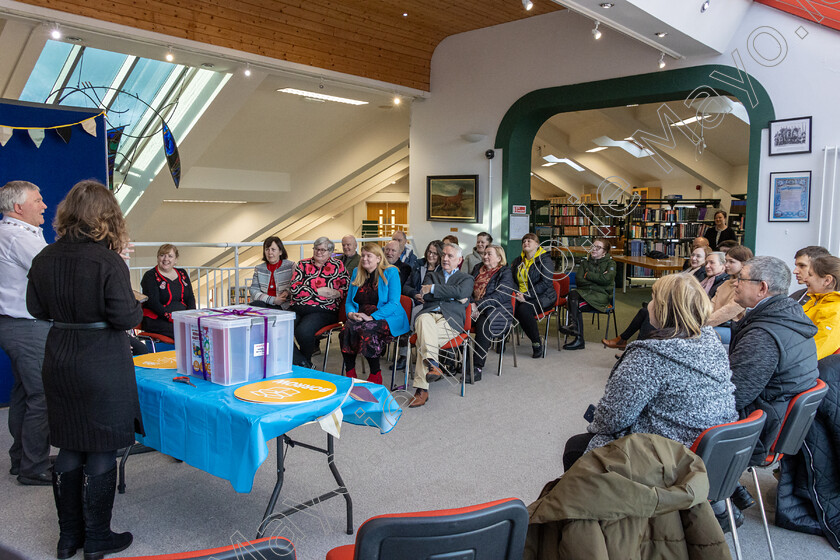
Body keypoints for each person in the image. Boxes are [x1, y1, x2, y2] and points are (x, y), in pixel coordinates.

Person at [26, 180, 144, 560]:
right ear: (106, 216)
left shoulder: (44, 257)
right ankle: (97, 539)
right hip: (101, 360)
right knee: (101, 445)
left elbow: (36, 310)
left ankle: (67, 540)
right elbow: (125, 315)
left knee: (69, 444)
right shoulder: (107, 260)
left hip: (59, 356)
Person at [562, 273, 736, 472]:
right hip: (713, 454)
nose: (649, 305)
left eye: (653, 299)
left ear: (663, 308)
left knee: (575, 447)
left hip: (668, 461)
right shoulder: (713, 344)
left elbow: (612, 419)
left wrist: (596, 428)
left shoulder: (649, 356)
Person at [728, 256, 819, 523]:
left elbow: (734, 396)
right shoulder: (787, 315)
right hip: (773, 417)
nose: (734, 283)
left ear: (762, 288)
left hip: (759, 427)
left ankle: (713, 502)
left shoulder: (764, 335)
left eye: (740, 278)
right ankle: (728, 488)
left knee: (669, 417)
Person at [0, 180, 51, 486]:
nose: (44, 205)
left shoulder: (9, 234)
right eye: (38, 199)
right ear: (18, 207)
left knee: (24, 393)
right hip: (27, 325)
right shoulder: (18, 238)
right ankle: (34, 466)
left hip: (14, 325)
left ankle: (22, 458)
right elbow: (52, 273)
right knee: (42, 395)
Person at [408, 242, 474, 408]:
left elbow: (461, 292)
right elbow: (426, 296)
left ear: (459, 260)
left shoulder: (466, 278)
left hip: (450, 321)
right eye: (443, 254)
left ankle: (422, 390)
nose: (445, 258)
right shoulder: (432, 274)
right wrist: (450, 295)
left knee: (423, 339)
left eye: (450, 256)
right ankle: (434, 365)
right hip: (429, 315)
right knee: (422, 320)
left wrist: (434, 289)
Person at [340, 243, 409, 385]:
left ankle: (375, 374)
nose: (364, 259)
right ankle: (350, 373)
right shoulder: (356, 272)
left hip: (388, 316)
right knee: (346, 329)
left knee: (367, 329)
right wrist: (351, 314)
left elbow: (393, 303)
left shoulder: (391, 272)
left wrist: (372, 317)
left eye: (368, 256)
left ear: (378, 258)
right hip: (362, 315)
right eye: (363, 255)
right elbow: (349, 301)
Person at [289, 237, 349, 368]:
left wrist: (335, 293)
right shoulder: (303, 264)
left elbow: (344, 289)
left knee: (303, 331)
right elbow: (294, 288)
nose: (319, 252)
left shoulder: (337, 266)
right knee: (280, 329)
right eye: (316, 248)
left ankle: (303, 363)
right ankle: (303, 363)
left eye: (323, 250)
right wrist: (319, 291)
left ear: (330, 252)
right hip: (298, 306)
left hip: (324, 310)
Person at [469, 244, 515, 382]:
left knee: (483, 325)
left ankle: (477, 367)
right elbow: (467, 287)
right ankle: (458, 362)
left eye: (489, 254)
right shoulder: (477, 268)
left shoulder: (505, 272)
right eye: (485, 254)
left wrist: (478, 305)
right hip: (473, 309)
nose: (485, 256)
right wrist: (471, 304)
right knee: (455, 319)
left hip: (497, 311)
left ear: (499, 258)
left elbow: (501, 296)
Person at [561, 238, 616, 351]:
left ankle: (578, 337)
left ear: (604, 252)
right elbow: (579, 280)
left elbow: (607, 280)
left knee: (574, 305)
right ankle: (575, 329)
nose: (594, 249)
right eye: (593, 246)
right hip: (584, 294)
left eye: (598, 247)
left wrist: (588, 275)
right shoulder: (584, 262)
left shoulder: (611, 263)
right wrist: (598, 280)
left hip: (600, 297)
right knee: (573, 294)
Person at [509, 233, 555, 357]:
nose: (526, 243)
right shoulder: (518, 260)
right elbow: (511, 279)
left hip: (543, 297)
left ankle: (536, 342)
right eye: (524, 241)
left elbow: (545, 283)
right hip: (520, 296)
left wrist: (526, 295)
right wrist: (517, 293)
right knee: (508, 306)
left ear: (537, 244)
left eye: (529, 241)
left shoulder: (545, 260)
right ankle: (500, 340)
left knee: (523, 310)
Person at [140, 244, 196, 337]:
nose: (166, 259)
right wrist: (172, 318)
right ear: (158, 258)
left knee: (201, 329)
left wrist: (191, 316)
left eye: (170, 256)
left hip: (181, 319)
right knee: (184, 332)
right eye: (162, 255)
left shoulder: (182, 273)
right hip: (158, 319)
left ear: (176, 260)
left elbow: (190, 297)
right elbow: (153, 303)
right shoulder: (150, 276)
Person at [707, 245, 754, 345]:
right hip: (715, 324)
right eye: (726, 261)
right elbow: (711, 305)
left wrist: (702, 324)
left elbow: (728, 311)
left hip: (733, 329)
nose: (726, 265)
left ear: (744, 264)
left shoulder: (746, 287)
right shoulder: (724, 284)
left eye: (731, 262)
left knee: (701, 334)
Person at [802, 255, 840, 360]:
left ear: (827, 280)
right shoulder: (816, 302)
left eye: (810, 275)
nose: (805, 279)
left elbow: (815, 351)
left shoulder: (834, 312)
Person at [248, 236, 294, 309]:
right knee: (255, 306)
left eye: (273, 249)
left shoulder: (290, 266)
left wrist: (287, 292)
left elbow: (296, 284)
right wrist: (272, 300)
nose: (270, 253)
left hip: (283, 304)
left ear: (280, 251)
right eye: (267, 249)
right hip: (264, 302)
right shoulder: (259, 268)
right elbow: (253, 290)